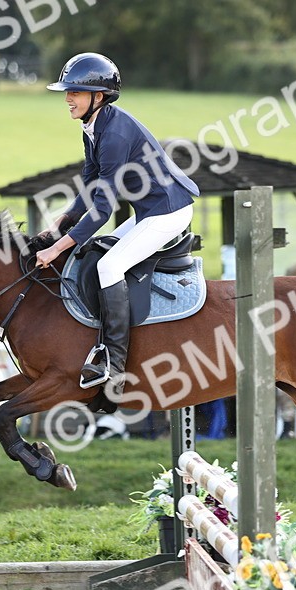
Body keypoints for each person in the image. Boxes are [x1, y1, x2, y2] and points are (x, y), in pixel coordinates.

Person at [33, 52, 200, 393]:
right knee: (97, 250)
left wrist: (56, 247)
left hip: (169, 212)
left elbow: (102, 211)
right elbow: (91, 185)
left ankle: (114, 362)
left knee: (109, 266)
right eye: (68, 91)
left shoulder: (114, 136)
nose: (67, 98)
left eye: (75, 92)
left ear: (99, 96)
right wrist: (61, 221)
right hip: (150, 211)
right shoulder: (93, 127)